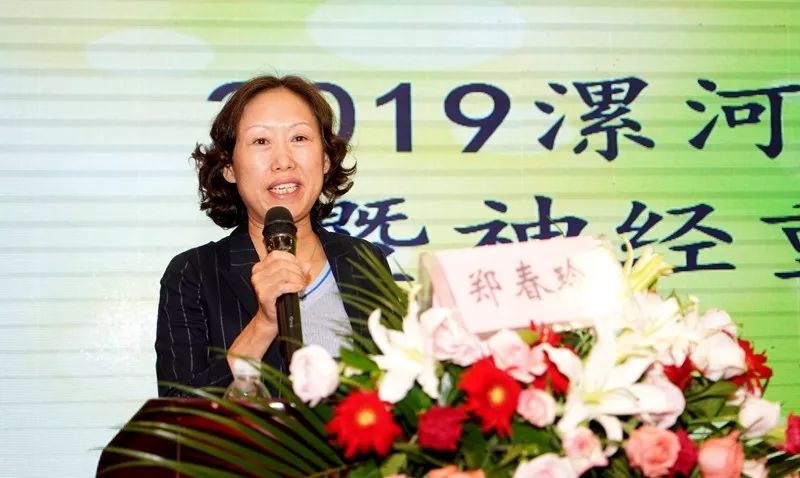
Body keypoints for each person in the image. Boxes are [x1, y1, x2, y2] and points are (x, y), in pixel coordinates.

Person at [155, 75, 389, 397]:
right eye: (261, 141)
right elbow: (179, 412)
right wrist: (264, 323)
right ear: (229, 167)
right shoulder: (194, 273)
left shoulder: (364, 261)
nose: (283, 162)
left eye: (299, 138)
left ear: (325, 159)